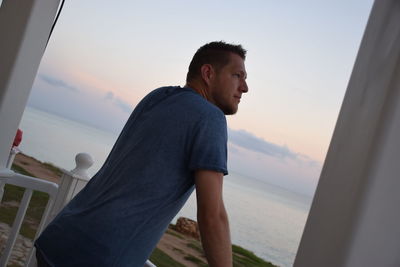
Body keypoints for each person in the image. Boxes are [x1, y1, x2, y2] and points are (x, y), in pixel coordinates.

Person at [34, 41, 248, 267]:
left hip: (61, 236)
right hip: (100, 257)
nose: (244, 87)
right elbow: (212, 217)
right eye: (237, 75)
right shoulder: (210, 118)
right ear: (208, 73)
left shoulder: (157, 97)